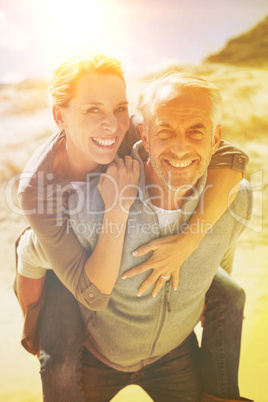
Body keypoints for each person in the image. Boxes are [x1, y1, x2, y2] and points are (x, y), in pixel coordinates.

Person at [15, 66, 253, 401]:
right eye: (93, 110)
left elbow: (232, 157)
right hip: (94, 339)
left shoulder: (229, 194)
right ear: (60, 117)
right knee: (60, 364)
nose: (110, 125)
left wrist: (191, 240)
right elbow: (33, 253)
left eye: (118, 109)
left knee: (229, 294)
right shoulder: (51, 197)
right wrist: (31, 317)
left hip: (172, 354)